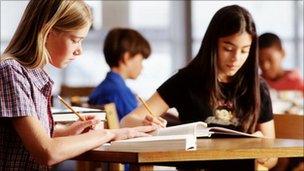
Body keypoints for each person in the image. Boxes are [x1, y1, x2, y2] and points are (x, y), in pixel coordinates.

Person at [0, 1, 155, 170]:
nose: (79, 50)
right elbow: (47, 152)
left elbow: (27, 136)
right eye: (75, 40)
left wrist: (68, 132)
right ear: (48, 32)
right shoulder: (11, 72)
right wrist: (110, 133)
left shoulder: (34, 76)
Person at [121, 5, 277, 169]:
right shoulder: (186, 81)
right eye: (228, 48)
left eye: (245, 51)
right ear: (213, 43)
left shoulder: (257, 88)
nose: (236, 58)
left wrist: (263, 151)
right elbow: (127, 121)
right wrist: (146, 124)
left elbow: (273, 159)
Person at [88, 28, 151, 120]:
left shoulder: (104, 88)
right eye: (141, 60)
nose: (142, 67)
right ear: (127, 57)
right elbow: (136, 123)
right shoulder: (117, 92)